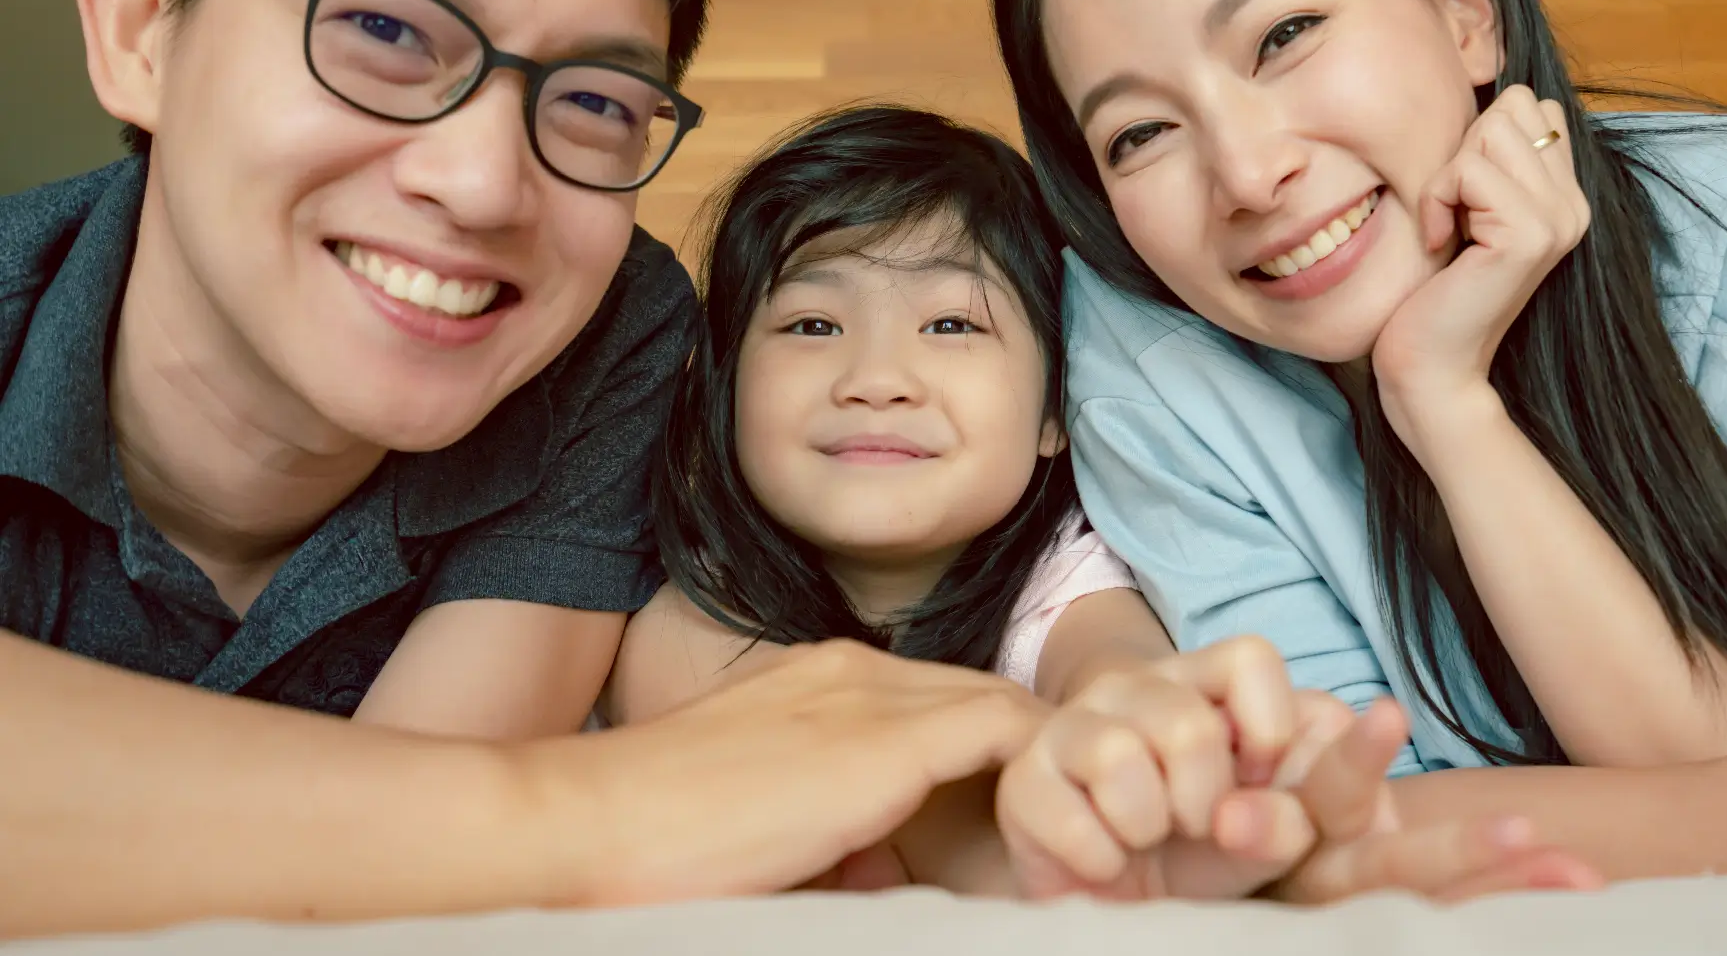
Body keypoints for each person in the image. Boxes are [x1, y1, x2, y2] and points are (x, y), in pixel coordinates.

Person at [0, 0, 1031, 937]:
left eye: (593, 100)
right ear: (143, 30)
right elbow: (449, 839)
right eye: (388, 31)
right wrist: (607, 810)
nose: (486, 185)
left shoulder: (605, 332)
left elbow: (397, 894)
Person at [989, 0, 1727, 879]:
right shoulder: (1147, 361)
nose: (1247, 175)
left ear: (1463, 7)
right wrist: (1440, 394)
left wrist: (1443, 399)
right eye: (1138, 133)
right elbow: (1322, 829)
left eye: (1283, 35)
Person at [605, 105, 1598, 901]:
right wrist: (1017, 838)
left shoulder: (1067, 579)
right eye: (812, 324)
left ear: (1054, 413)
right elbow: (824, 753)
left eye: (951, 324)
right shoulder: (694, 612)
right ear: (722, 390)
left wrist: (1154, 754)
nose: (875, 379)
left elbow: (1113, 674)